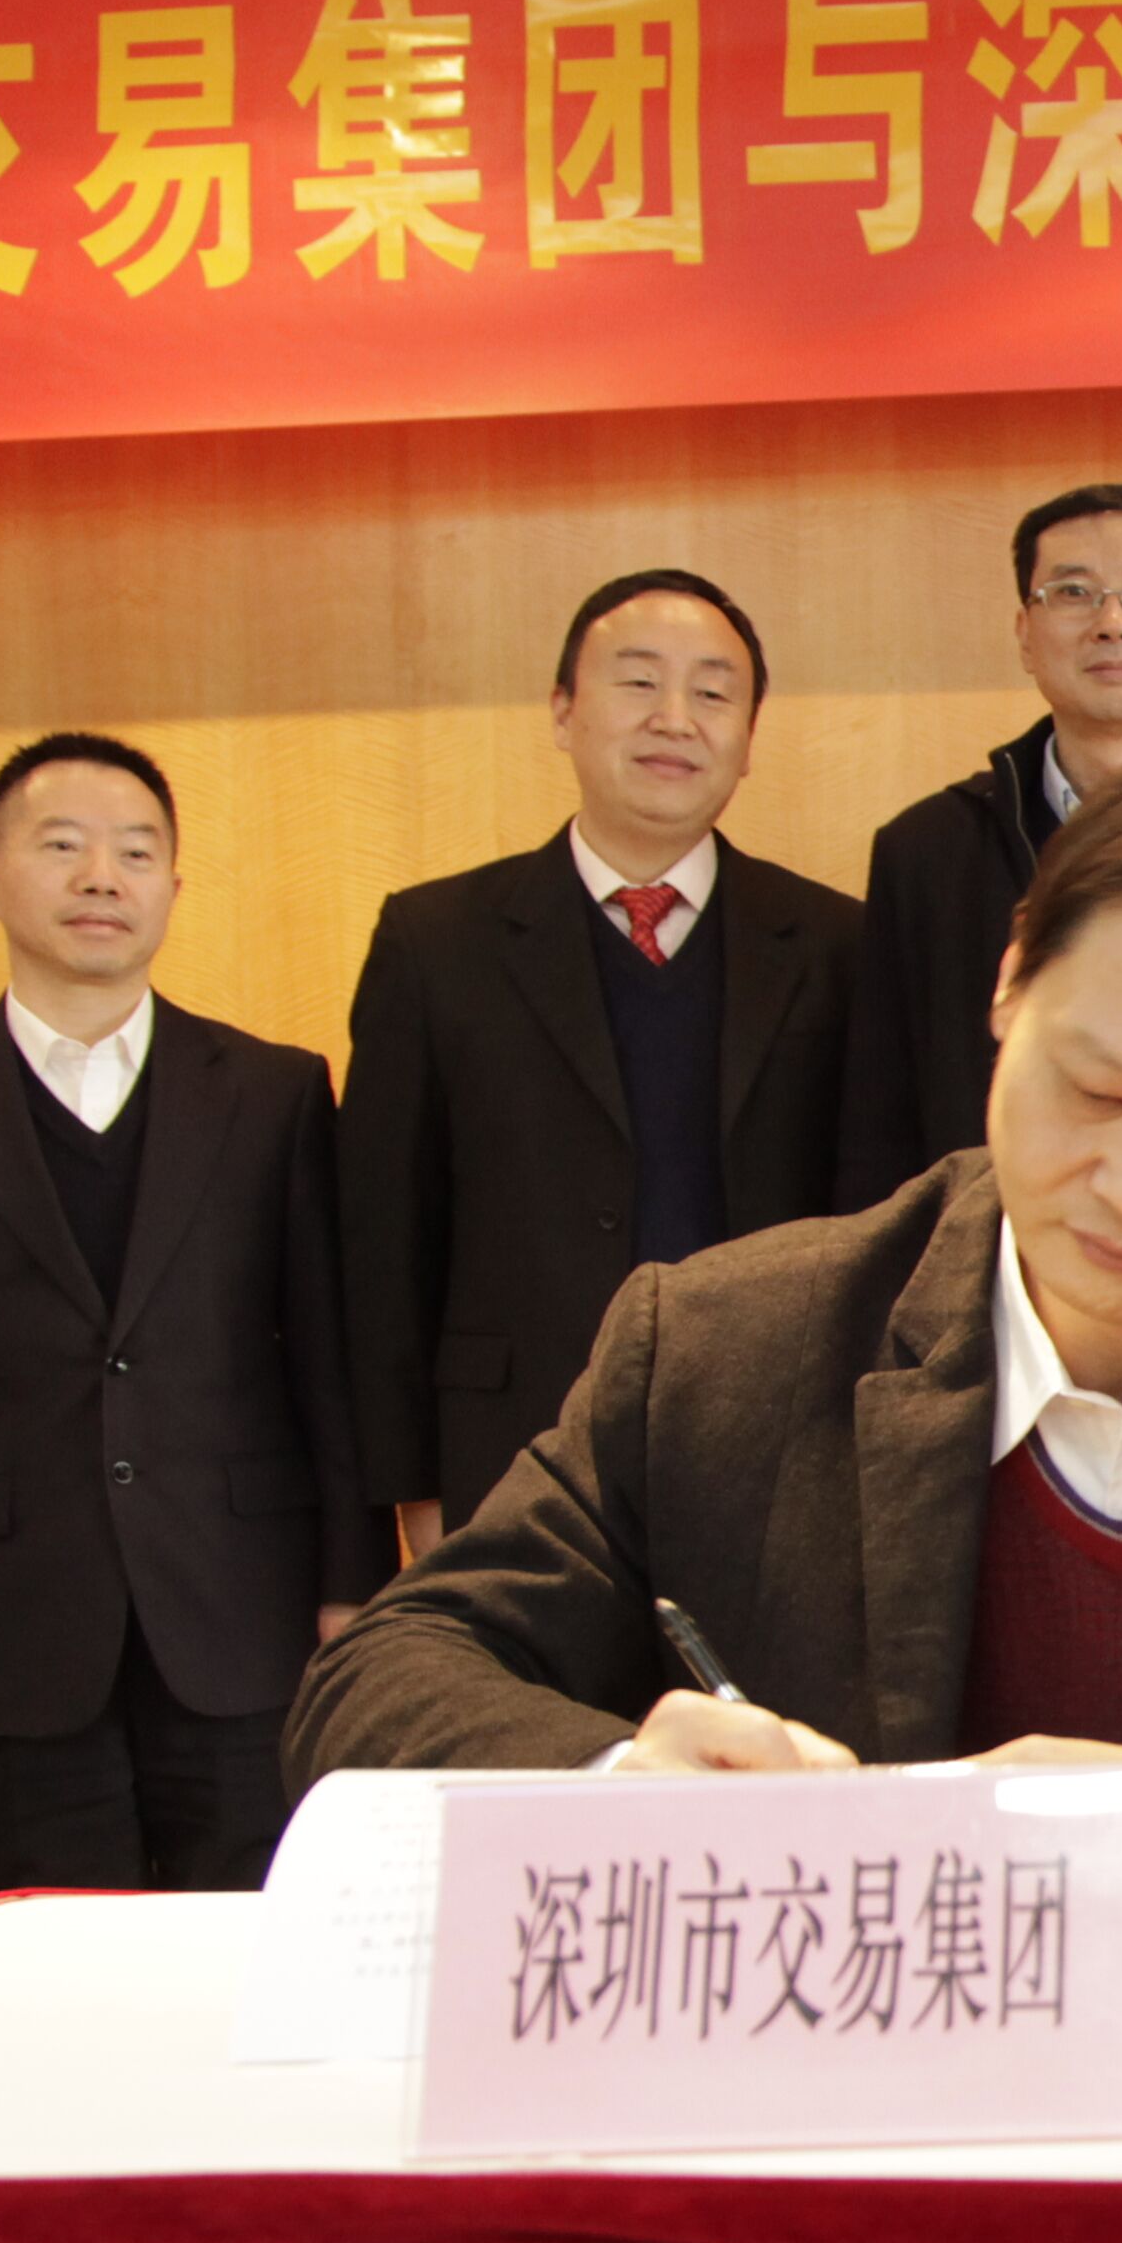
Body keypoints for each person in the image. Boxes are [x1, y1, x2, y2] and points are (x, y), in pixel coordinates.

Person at [289, 733, 1122, 1909]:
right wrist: (632, 1789)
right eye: (1093, 1091)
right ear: (1012, 984)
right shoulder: (721, 1347)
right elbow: (386, 1677)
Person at [0, 731, 378, 1892]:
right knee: (47, 1951)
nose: (101, 878)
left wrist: (349, 1584)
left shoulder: (271, 1094)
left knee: (247, 1944)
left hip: (241, 1610)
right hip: (10, 1624)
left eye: (135, 852)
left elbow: (331, 1359)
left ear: (173, 888)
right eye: (62, 847)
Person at [338, 566, 860, 1561]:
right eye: (639, 682)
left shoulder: (838, 946)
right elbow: (383, 1243)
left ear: (749, 740)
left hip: (774, 1453)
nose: (676, 718)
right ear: (562, 712)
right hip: (508, 1451)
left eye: (713, 693)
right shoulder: (436, 942)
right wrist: (411, 1487)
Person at [837, 480, 1122, 1205]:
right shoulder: (926, 855)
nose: (1112, 623)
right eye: (1073, 593)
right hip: (991, 1252)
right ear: (1024, 634)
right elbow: (878, 1129)